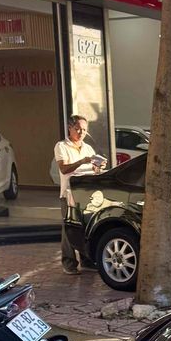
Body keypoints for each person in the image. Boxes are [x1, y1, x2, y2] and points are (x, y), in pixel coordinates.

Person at [54, 114, 106, 274]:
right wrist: (81, 161)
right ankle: (69, 262)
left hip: (86, 194)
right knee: (69, 229)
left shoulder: (88, 148)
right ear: (70, 128)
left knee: (86, 228)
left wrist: (99, 166)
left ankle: (87, 260)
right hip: (69, 193)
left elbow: (94, 171)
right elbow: (64, 168)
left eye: (84, 130)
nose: (81, 132)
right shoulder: (61, 146)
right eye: (78, 129)